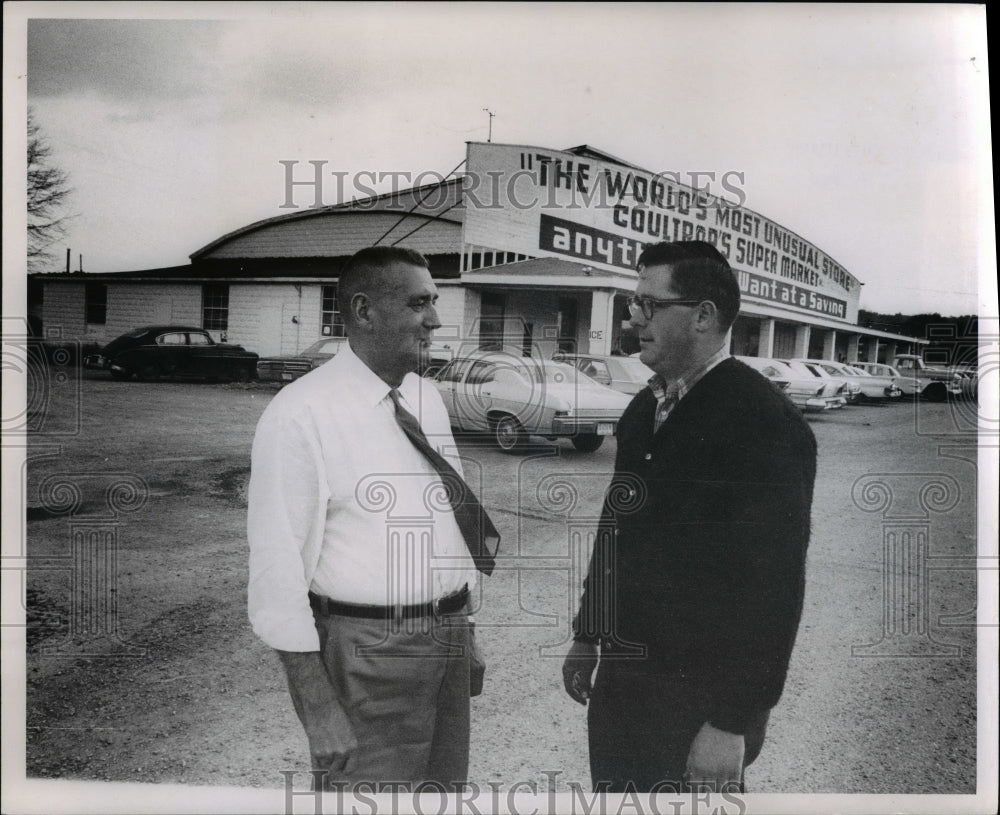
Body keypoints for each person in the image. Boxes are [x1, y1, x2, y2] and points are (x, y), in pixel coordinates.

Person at [562, 240, 817, 793]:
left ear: (703, 315)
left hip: (700, 701)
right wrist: (589, 633)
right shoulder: (643, 409)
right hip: (625, 687)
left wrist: (731, 721)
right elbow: (615, 534)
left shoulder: (765, 424)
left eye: (650, 305)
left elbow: (775, 589)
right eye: (633, 304)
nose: (633, 319)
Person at [247, 246, 498, 791]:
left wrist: (466, 625)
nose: (435, 319)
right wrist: (317, 708)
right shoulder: (299, 413)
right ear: (363, 311)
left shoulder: (424, 397)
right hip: (368, 650)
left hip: (446, 639)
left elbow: (445, 520)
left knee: (441, 793)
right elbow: (276, 571)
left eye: (434, 302)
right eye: (418, 304)